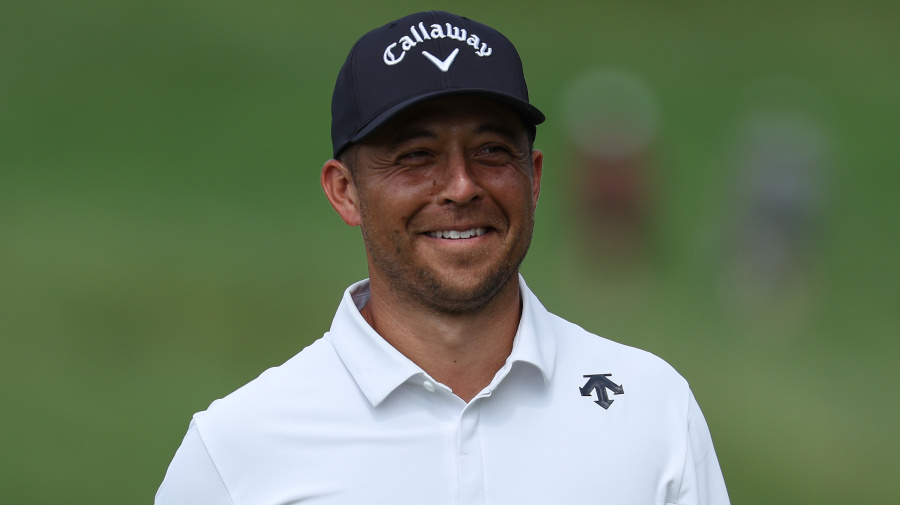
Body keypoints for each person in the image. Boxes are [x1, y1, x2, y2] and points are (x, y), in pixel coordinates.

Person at [155, 11, 730, 505]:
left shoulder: (652, 409)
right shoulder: (237, 450)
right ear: (345, 192)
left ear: (532, 179)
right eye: (416, 156)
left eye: (490, 150)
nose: (460, 186)